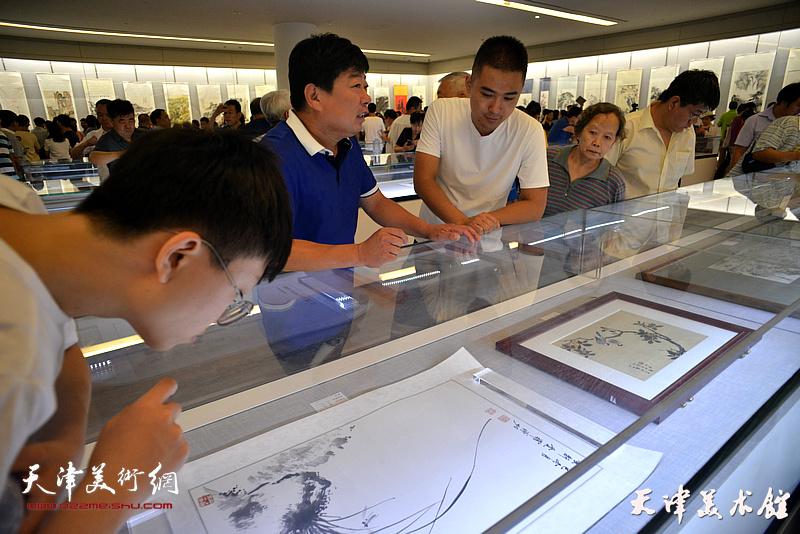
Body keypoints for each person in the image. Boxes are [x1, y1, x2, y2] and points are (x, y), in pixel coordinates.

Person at [0, 127, 292, 533]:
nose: (220, 316)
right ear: (176, 257)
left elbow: (64, 340)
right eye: (235, 294)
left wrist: (64, 440)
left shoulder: (20, 208)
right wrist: (117, 485)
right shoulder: (12, 361)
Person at [262, 33, 478, 272]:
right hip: (289, 292)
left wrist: (429, 230)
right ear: (315, 96)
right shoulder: (270, 158)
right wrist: (359, 253)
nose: (366, 98)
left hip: (340, 285)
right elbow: (268, 249)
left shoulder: (346, 144)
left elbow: (375, 203)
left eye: (365, 87)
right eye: (356, 86)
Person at [414, 35, 549, 235]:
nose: (495, 108)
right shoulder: (441, 111)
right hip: (435, 235)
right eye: (487, 94)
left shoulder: (530, 130)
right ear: (469, 84)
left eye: (509, 98)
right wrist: (464, 223)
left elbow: (535, 205)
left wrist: (484, 222)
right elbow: (424, 180)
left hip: (486, 239)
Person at [605, 69, 719, 198]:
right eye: (694, 114)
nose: (694, 122)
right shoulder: (627, 128)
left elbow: (678, 181)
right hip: (626, 210)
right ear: (674, 103)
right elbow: (599, 176)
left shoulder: (688, 134)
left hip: (668, 210)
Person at [544, 103, 627, 216]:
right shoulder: (548, 158)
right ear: (578, 131)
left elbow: (613, 224)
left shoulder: (614, 182)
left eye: (607, 137)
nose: (597, 143)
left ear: (613, 142)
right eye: (592, 133)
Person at [728, 83, 800, 174]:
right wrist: (735, 177)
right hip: (748, 173)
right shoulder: (755, 120)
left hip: (774, 178)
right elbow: (739, 150)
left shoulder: (795, 125)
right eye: (798, 105)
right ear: (784, 102)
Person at [90, 99, 146, 174]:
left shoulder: (145, 135)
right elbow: (93, 158)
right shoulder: (107, 140)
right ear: (112, 122)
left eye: (131, 120)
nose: (128, 126)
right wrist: (123, 154)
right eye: (122, 121)